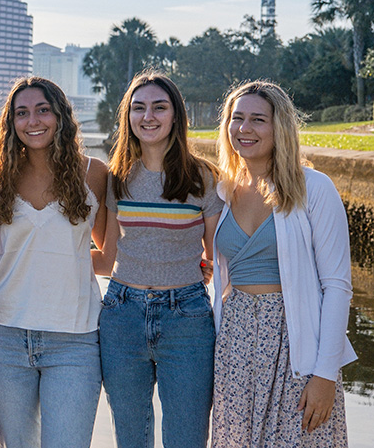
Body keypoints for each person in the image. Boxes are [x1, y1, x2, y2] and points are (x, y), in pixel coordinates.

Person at [210, 81, 355, 446]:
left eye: (258, 119)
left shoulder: (314, 188)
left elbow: (337, 285)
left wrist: (325, 374)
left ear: (280, 128)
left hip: (295, 344)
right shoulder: (224, 190)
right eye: (237, 118)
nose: (245, 129)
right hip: (235, 343)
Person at [0, 77, 108, 448]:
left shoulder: (93, 174)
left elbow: (109, 255)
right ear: (11, 123)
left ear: (61, 116)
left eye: (42, 110)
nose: (33, 121)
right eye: (22, 113)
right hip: (4, 334)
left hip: (75, 338)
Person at [94, 71, 222, 448]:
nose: (148, 116)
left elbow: (216, 259)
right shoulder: (118, 177)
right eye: (138, 108)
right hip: (121, 315)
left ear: (176, 115)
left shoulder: (204, 179)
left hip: (187, 320)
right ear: (128, 117)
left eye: (159, 107)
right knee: (131, 439)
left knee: (186, 438)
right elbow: (109, 255)